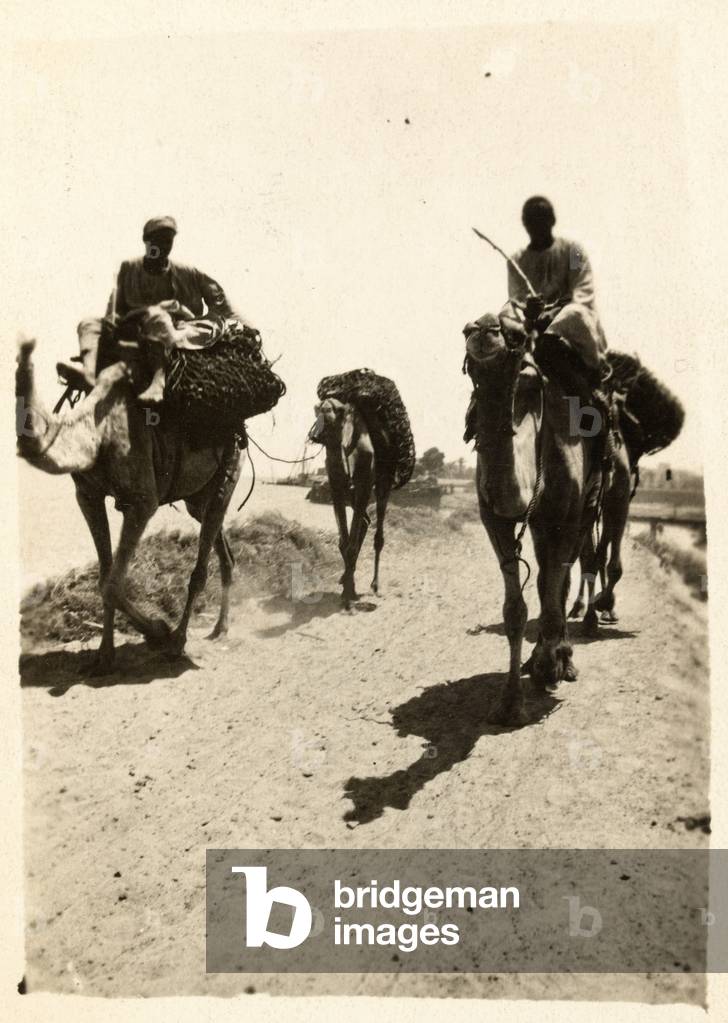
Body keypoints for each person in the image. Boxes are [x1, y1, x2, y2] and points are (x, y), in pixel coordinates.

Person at [464, 197, 611, 446]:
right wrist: (530, 312)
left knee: (575, 313)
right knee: (504, 312)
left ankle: (593, 416)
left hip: (570, 327)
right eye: (531, 223)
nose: (536, 227)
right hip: (532, 328)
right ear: (525, 225)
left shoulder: (573, 252)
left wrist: (551, 313)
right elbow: (516, 300)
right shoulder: (517, 261)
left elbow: (582, 292)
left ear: (552, 221)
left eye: (541, 222)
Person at [60, 216, 253, 399]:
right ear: (146, 241)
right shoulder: (129, 268)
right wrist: (112, 326)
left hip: (177, 331)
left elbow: (221, 303)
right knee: (88, 324)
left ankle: (158, 381)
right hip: (135, 330)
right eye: (157, 240)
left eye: (167, 241)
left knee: (158, 317)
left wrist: (248, 328)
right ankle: (88, 373)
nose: (162, 246)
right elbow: (114, 308)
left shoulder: (188, 273)